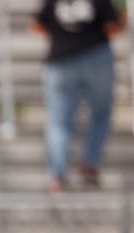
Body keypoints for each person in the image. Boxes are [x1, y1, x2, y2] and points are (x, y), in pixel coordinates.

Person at [31, 0, 126, 190]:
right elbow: (114, 27)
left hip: (60, 60)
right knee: (100, 113)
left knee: (59, 121)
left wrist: (63, 37)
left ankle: (57, 176)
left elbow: (37, 26)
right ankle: (90, 164)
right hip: (96, 57)